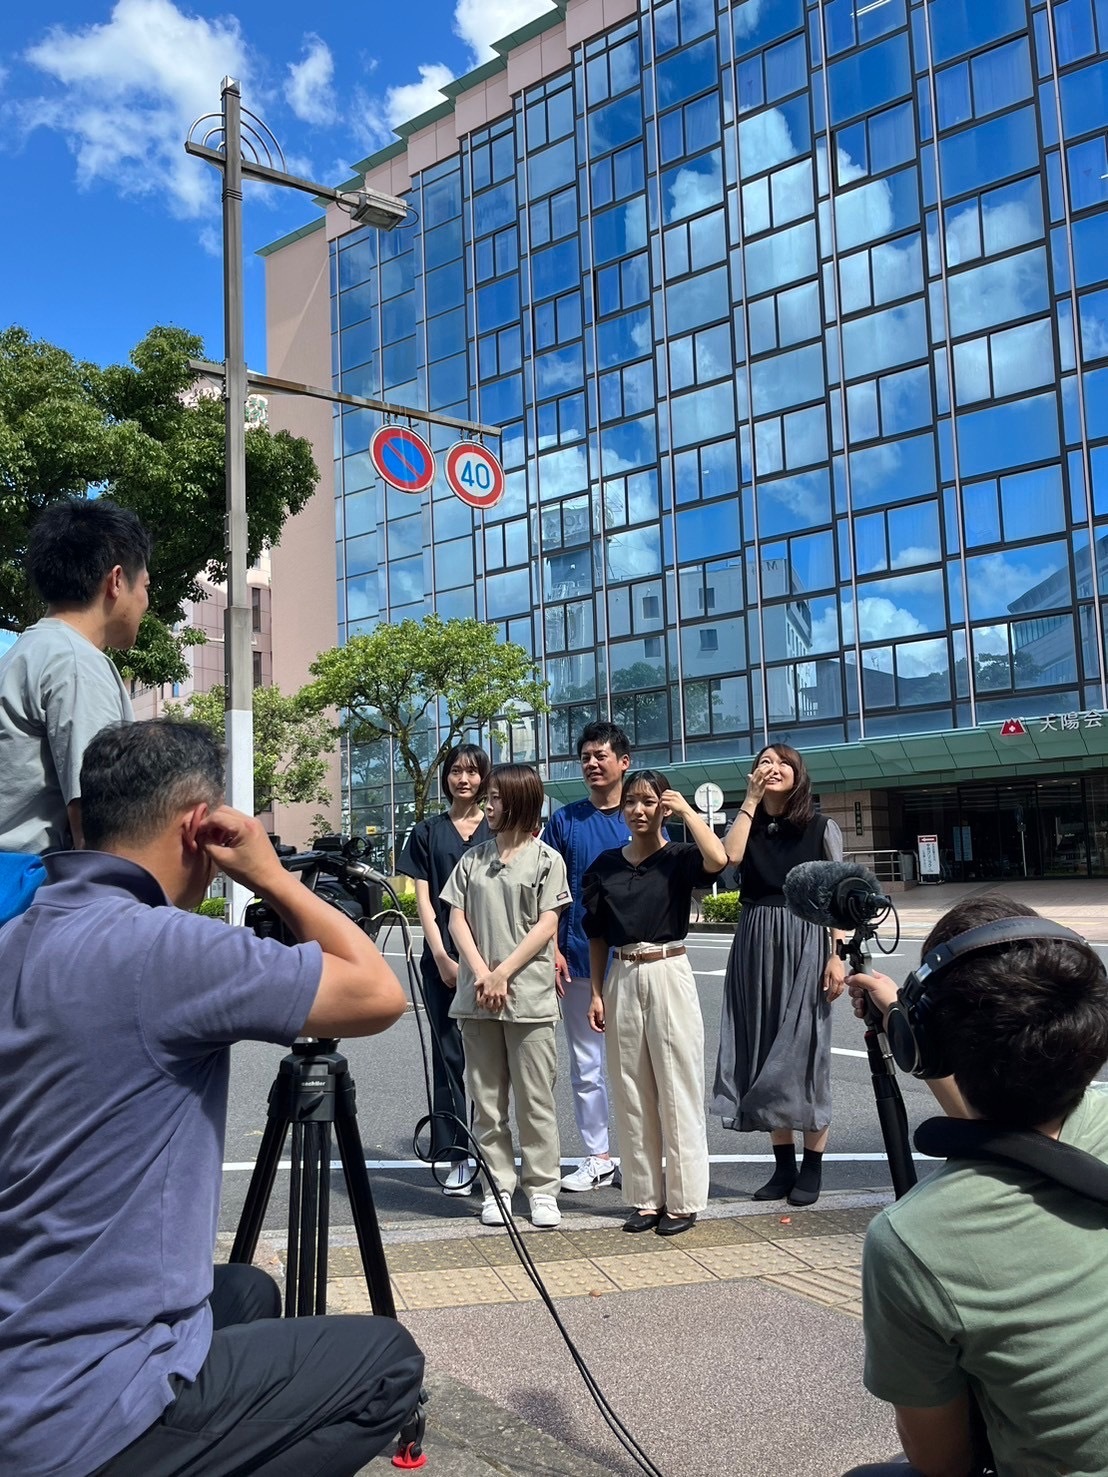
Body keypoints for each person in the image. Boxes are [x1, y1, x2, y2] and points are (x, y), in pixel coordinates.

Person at [0, 720, 424, 1476]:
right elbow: (379, 992)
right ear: (202, 828)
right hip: (88, 1411)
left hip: (21, 1363)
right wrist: (275, 879)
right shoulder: (166, 946)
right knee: (387, 1364)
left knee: (246, 1293)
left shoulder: (15, 937)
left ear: (78, 820)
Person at [843, 895, 1108, 1477]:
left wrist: (905, 1028)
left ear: (925, 1044)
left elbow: (943, 1463)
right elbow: (1019, 1132)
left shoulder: (911, 1240)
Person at [583, 772, 726, 1235]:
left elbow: (720, 859)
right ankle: (645, 1198)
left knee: (678, 1085)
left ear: (662, 807)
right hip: (622, 972)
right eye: (631, 802)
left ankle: (683, 1201)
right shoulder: (604, 865)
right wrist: (598, 992)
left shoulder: (679, 858)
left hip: (668, 968)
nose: (638, 810)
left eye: (648, 801)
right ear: (622, 809)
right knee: (630, 1088)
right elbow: (598, 934)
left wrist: (687, 811)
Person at [712, 744, 846, 1206]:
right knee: (764, 1050)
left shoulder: (821, 826)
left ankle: (813, 1166)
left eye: (783, 762)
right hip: (754, 940)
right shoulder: (747, 826)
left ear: (798, 773)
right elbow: (729, 860)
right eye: (764, 762)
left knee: (805, 1054)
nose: (773, 768)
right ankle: (782, 1166)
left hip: (806, 939)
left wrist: (836, 954)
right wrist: (747, 803)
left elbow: (837, 894)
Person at [442, 763, 571, 1230]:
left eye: (495, 797)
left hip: (529, 998)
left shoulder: (546, 860)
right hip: (478, 996)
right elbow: (455, 918)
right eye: (487, 797)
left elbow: (548, 924)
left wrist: (503, 973)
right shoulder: (472, 860)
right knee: (487, 1100)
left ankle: (542, 1190)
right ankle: (497, 1187)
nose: (487, 804)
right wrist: (481, 973)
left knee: (537, 1101)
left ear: (517, 800)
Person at [0, 497, 152, 855]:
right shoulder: (76, 663)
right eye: (145, 586)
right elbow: (99, 824)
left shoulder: (24, 654)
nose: (146, 601)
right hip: (39, 895)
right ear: (116, 580)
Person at [542, 720, 634, 1193]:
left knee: (641, 1061)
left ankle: (642, 1156)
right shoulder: (564, 820)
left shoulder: (642, 815)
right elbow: (550, 894)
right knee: (587, 1063)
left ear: (624, 762)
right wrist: (554, 946)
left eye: (601, 755)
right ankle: (599, 1156)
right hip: (577, 958)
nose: (593, 763)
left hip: (639, 958)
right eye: (586, 757)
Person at [398, 743, 492, 1195]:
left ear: (484, 778)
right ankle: (454, 1153)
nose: (464, 780)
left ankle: (492, 1151)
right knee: (449, 1055)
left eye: (473, 772)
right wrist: (439, 956)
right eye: (457, 771)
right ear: (446, 777)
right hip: (442, 957)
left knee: (495, 1058)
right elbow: (423, 899)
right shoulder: (428, 831)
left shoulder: (498, 827)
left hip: (493, 959)